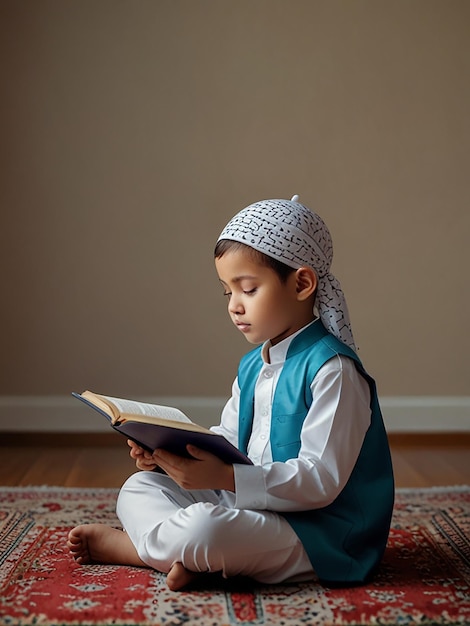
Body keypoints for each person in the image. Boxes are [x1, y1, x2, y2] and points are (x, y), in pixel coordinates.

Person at [68, 195, 394, 591]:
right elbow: (229, 440)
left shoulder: (334, 371)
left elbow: (320, 480)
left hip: (319, 530)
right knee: (139, 487)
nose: (234, 306)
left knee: (206, 529)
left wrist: (225, 477)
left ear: (302, 283)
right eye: (227, 292)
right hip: (249, 504)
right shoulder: (252, 365)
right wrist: (165, 456)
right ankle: (189, 557)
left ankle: (134, 550)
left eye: (249, 289)